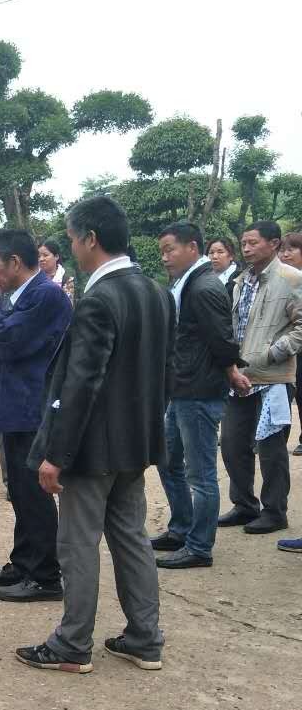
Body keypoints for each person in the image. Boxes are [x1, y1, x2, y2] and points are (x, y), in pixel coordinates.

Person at [16, 195, 174, 675]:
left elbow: (81, 384)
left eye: (70, 240)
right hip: (135, 443)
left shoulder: (99, 299)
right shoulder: (156, 291)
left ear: (90, 239)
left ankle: (72, 643)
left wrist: (56, 454)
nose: (71, 249)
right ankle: (145, 637)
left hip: (91, 448)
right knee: (130, 538)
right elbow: (163, 372)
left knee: (77, 543)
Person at [0, 229, 73, 601]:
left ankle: (46, 575)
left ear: (15, 262)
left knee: (33, 491)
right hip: (17, 405)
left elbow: (8, 342)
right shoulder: (28, 295)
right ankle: (25, 560)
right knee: (18, 487)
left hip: (33, 407)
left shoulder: (44, 295)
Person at [150, 223, 243, 569]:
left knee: (200, 473)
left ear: (192, 247)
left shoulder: (203, 287)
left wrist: (232, 370)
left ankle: (199, 546)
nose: (164, 257)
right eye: (162, 250)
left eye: (169, 249)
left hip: (199, 391)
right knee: (168, 460)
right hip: (182, 388)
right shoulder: (189, 284)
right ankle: (182, 527)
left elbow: (221, 339)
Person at [217, 221, 302, 534]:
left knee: (270, 448)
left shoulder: (292, 279)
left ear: (274, 244)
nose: (246, 248)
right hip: (240, 376)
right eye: (244, 243)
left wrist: (273, 352)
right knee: (232, 443)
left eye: (253, 242)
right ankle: (243, 504)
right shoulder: (241, 280)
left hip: (274, 377)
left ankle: (275, 511)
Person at [282, 232, 302, 459]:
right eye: (283, 250)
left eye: (292, 249)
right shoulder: (279, 279)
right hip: (285, 348)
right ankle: (276, 438)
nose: (286, 254)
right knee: (283, 394)